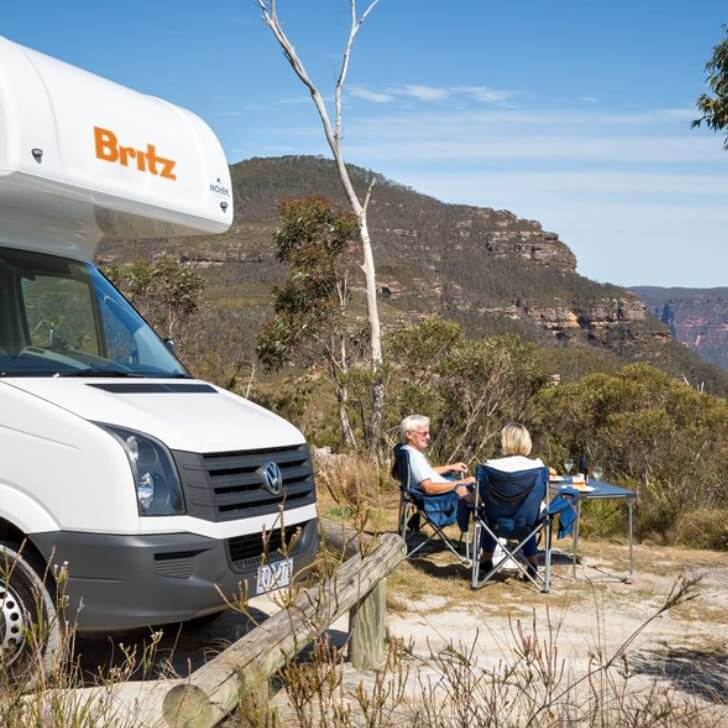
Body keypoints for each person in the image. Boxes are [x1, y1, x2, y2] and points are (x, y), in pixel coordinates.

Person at [481, 423, 545, 579]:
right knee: (526, 514)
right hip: (527, 525)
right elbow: (540, 497)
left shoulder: (489, 467)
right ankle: (532, 561)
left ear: (505, 441)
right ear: (526, 442)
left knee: (487, 513)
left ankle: (486, 557)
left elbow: (478, 497)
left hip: (495, 525)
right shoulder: (538, 467)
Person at [399, 414, 475, 497]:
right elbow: (429, 488)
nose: (428, 437)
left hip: (448, 490)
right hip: (448, 496)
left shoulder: (407, 451)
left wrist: (450, 467)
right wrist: (462, 482)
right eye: (424, 434)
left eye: (428, 433)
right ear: (409, 434)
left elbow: (425, 472)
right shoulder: (414, 457)